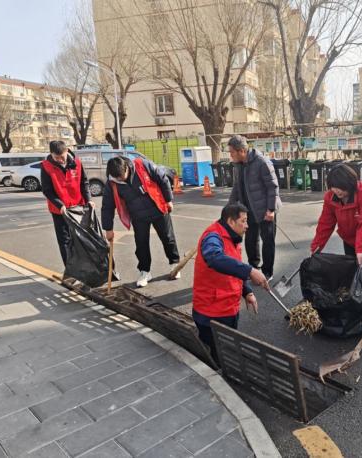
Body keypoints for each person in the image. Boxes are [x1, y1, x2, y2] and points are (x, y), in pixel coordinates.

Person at [192, 203, 269, 363]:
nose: (247, 226)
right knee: (218, 355)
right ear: (231, 221)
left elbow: (234, 268)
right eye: (243, 221)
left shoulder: (233, 237)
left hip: (228, 307)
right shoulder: (213, 237)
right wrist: (251, 271)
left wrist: (247, 291)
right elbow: (215, 258)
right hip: (212, 312)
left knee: (227, 350)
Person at [101, 155, 180, 287]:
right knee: (141, 244)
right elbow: (107, 206)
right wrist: (108, 228)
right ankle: (145, 272)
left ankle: (174, 264)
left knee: (167, 237)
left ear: (126, 168)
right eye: (117, 178)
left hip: (158, 207)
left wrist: (168, 200)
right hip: (138, 216)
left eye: (122, 176)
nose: (121, 179)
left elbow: (163, 179)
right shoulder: (111, 182)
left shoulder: (143, 165)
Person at [310, 163, 362, 292]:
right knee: (351, 265)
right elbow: (326, 223)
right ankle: (355, 295)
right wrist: (317, 246)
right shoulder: (330, 197)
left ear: (350, 184)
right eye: (334, 187)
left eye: (341, 188)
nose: (338, 191)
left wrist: (361, 249)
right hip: (349, 235)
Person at [228, 135, 281, 281]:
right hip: (247, 210)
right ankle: (253, 268)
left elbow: (272, 187)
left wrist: (271, 209)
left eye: (232, 152)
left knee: (267, 241)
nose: (230, 155)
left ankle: (267, 272)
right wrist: (229, 209)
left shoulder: (261, 162)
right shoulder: (238, 165)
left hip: (265, 210)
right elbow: (236, 188)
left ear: (241, 151)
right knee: (251, 240)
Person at [41, 140, 92, 266]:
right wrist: (60, 205)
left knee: (81, 238)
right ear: (51, 154)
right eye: (56, 158)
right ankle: (70, 269)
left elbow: (84, 183)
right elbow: (47, 190)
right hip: (59, 210)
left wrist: (89, 200)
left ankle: (85, 266)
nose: (60, 160)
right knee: (65, 240)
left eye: (62, 157)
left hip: (78, 207)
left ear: (67, 151)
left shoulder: (77, 163)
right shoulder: (46, 166)